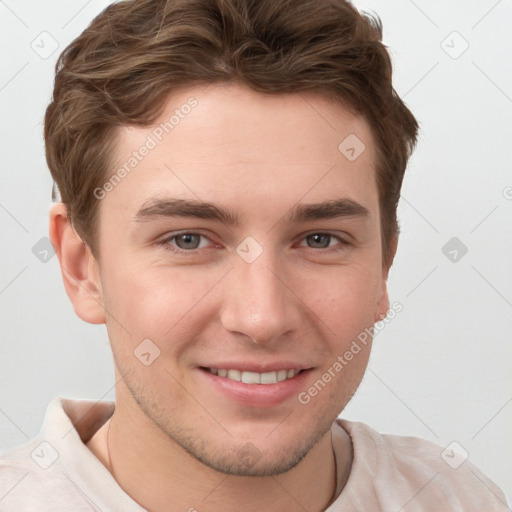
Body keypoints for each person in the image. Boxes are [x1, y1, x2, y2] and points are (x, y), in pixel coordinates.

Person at [0, 0, 508, 510]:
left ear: (383, 267)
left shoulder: (462, 499)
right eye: (188, 240)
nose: (262, 318)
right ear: (81, 266)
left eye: (319, 240)